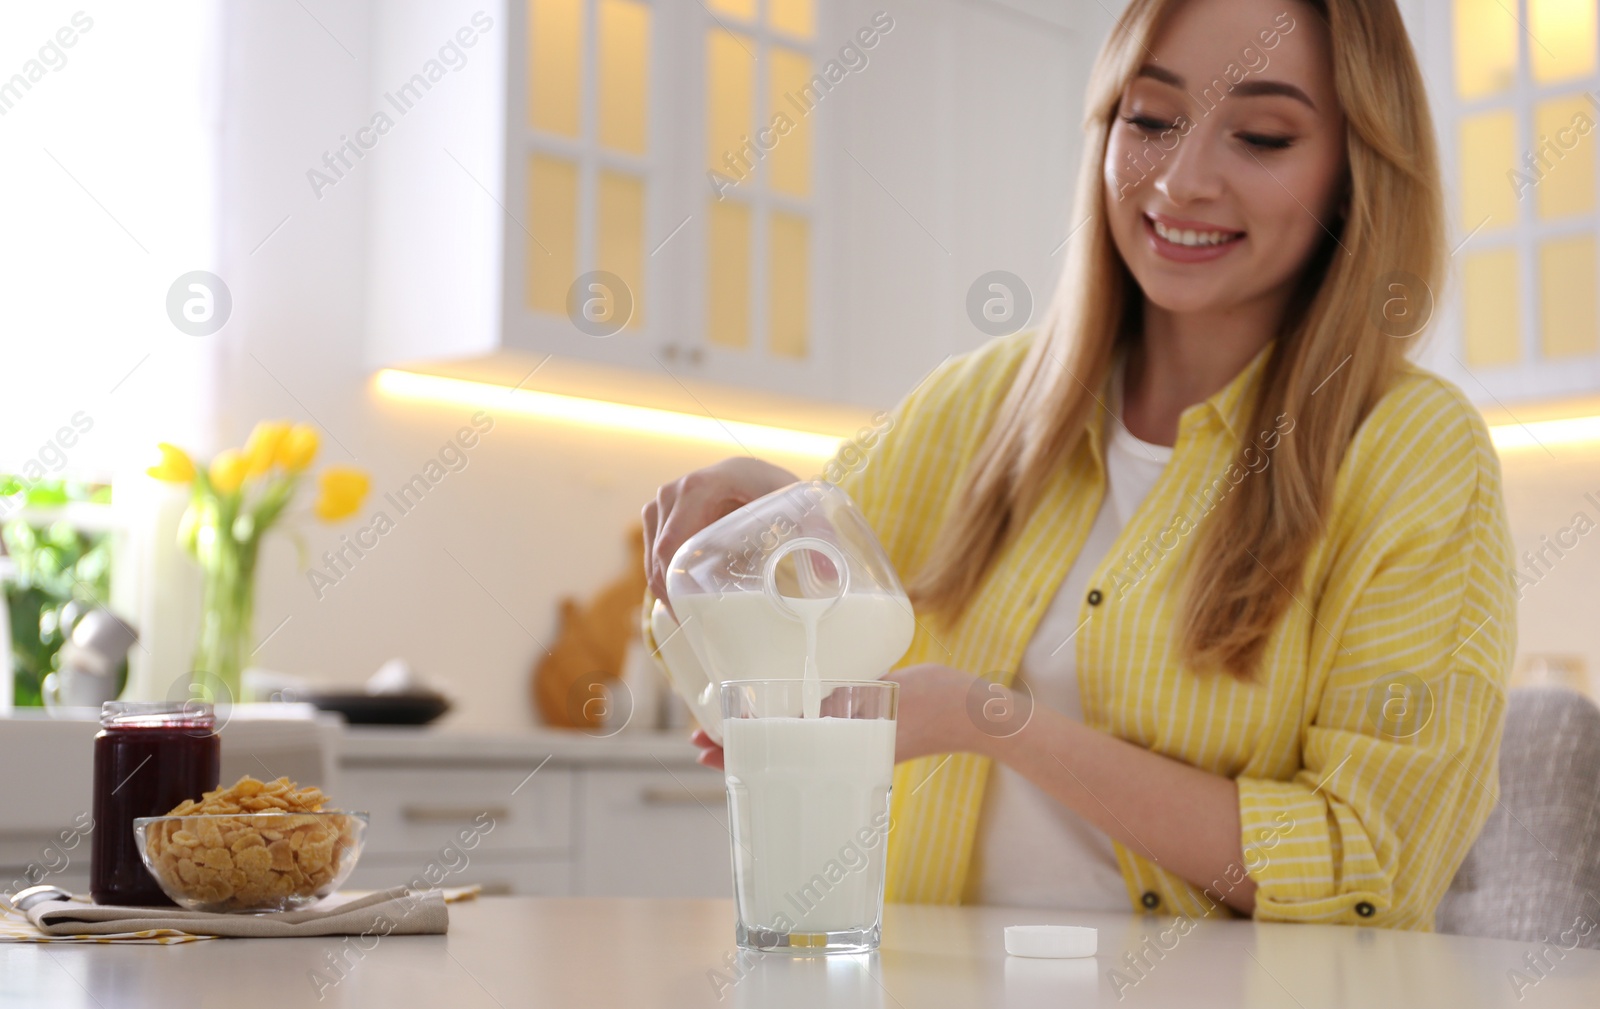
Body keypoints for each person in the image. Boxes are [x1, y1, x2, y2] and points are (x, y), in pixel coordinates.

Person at [641, 0, 1514, 930]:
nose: (1181, 182)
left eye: (1261, 136)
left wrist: (989, 720)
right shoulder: (979, 403)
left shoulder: (1414, 451)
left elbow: (1371, 864)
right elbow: (749, 653)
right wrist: (755, 507)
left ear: (1355, 172)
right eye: (1149, 119)